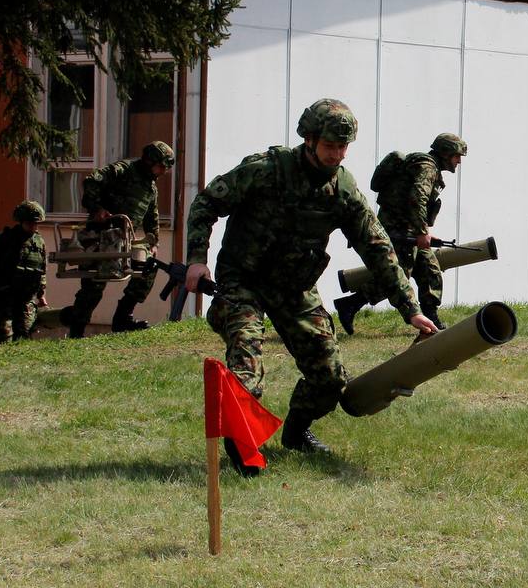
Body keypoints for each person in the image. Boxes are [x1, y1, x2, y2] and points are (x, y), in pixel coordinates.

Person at [183, 99, 438, 471]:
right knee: (246, 359)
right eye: (330, 146)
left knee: (330, 377)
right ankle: (244, 449)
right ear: (310, 139)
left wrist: (410, 309)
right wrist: (196, 259)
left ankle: (296, 432)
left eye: (343, 147)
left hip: (295, 288)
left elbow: (378, 248)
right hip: (244, 282)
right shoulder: (266, 171)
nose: (336, 155)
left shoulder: (343, 190)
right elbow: (206, 203)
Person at [334, 132, 467, 334]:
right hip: (398, 229)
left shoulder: (426, 166)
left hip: (408, 229)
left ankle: (431, 316)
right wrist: (422, 233)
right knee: (398, 275)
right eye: (457, 156)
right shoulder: (428, 167)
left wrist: (425, 233)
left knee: (430, 269)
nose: (458, 161)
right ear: (446, 152)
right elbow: (417, 198)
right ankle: (351, 304)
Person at [65, 141, 175, 338]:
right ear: (150, 161)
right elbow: (92, 180)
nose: (163, 172)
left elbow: (152, 216)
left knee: (148, 267)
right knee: (94, 285)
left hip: (125, 239)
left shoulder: (151, 187)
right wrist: (97, 208)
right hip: (101, 236)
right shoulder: (123, 170)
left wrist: (154, 242)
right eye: (162, 166)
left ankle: (123, 317)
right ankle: (77, 331)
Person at [0, 201, 48, 343]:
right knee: (4, 336)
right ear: (21, 222)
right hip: (3, 297)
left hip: (26, 299)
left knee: (23, 337)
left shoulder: (39, 242)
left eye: (36, 224)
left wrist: (41, 295)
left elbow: (42, 270)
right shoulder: (5, 239)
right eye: (29, 223)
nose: (33, 227)